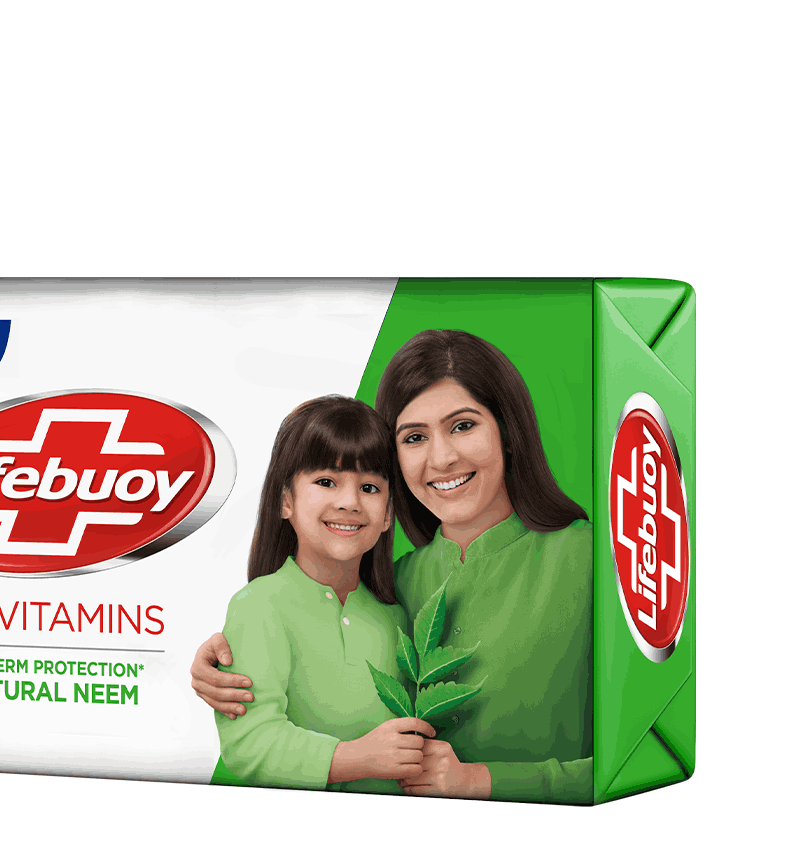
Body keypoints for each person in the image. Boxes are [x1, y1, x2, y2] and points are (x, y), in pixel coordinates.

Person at [193, 330, 593, 803]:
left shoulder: (592, 560)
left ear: (508, 431)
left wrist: (483, 781)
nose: (442, 458)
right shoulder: (396, 587)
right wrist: (220, 661)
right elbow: (308, 626)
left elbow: (634, 756)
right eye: (415, 437)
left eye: (463, 425)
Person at [213, 396, 436, 795]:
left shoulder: (395, 617)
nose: (349, 502)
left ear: (387, 514)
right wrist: (356, 758)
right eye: (326, 482)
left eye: (369, 487)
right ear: (285, 500)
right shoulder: (260, 606)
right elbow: (248, 742)